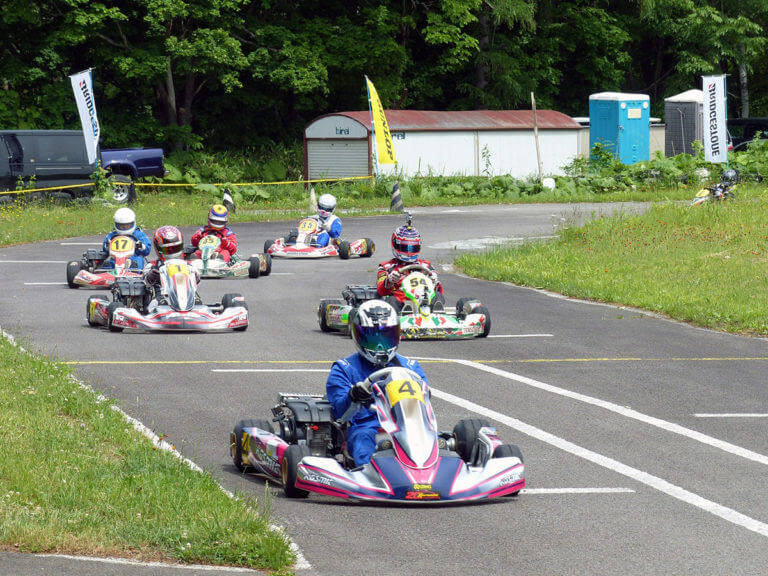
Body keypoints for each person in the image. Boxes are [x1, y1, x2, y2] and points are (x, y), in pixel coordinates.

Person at [325, 300, 428, 467]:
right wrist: (353, 396)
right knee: (363, 443)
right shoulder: (344, 369)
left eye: (386, 336)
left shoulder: (410, 368)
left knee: (438, 442)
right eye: (373, 338)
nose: (380, 345)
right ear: (359, 336)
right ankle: (374, 479)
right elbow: (339, 414)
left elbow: (424, 404)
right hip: (367, 427)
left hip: (409, 426)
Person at [376, 217, 444, 311]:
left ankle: (438, 315)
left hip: (424, 301)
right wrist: (389, 281)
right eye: (405, 247)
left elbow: (439, 289)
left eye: (413, 248)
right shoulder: (386, 267)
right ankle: (403, 315)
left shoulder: (426, 266)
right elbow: (380, 291)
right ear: (395, 244)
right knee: (391, 300)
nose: (409, 252)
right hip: (400, 302)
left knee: (437, 296)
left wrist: (434, 282)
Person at [143, 225, 189, 305]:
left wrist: (195, 275)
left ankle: (193, 302)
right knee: (156, 304)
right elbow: (144, 282)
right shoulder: (153, 265)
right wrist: (151, 276)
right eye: (167, 250)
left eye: (175, 248)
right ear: (158, 249)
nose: (172, 253)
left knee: (197, 301)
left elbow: (197, 278)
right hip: (160, 299)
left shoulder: (187, 265)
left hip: (186, 297)